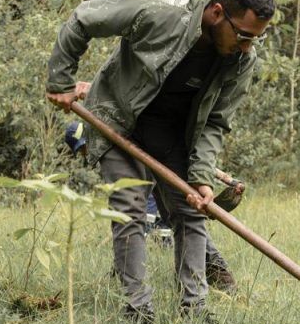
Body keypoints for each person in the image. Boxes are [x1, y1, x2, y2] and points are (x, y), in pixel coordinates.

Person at [46, 0, 274, 324]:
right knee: (130, 208)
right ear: (217, 13)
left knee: (193, 212)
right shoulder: (157, 9)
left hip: (170, 135)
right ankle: (138, 310)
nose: (247, 46)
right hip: (118, 119)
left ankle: (195, 310)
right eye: (243, 35)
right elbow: (83, 18)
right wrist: (60, 79)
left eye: (256, 38)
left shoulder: (242, 59)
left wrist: (200, 177)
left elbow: (215, 121)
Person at [64, 118, 244, 293]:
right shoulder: (111, 145)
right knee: (170, 218)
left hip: (163, 158)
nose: (85, 153)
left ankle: (216, 273)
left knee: (185, 218)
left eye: (84, 148)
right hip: (150, 170)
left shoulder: (118, 127)